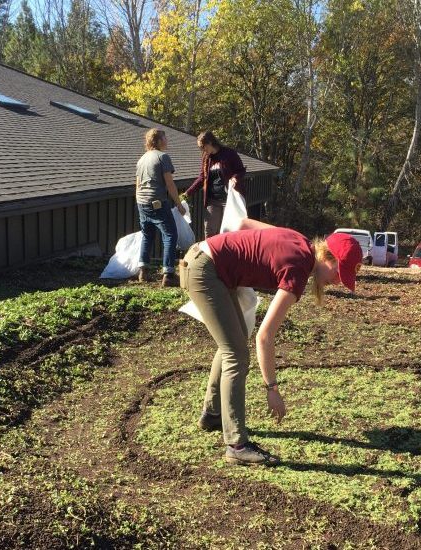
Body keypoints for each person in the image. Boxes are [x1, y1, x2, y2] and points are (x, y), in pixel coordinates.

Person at [179, 222, 363, 465]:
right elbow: (265, 336)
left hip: (206, 262)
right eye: (339, 273)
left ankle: (213, 414)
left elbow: (244, 223)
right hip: (205, 270)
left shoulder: (299, 240)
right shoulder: (298, 268)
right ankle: (236, 445)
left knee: (235, 340)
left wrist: (237, 257)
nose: (338, 282)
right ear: (328, 256)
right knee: (236, 354)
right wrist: (272, 390)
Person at [136, 128, 187, 286]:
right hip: (157, 202)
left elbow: (137, 185)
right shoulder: (162, 157)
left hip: (141, 201)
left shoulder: (142, 159)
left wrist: (139, 202)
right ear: (158, 141)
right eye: (165, 137)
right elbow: (170, 184)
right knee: (170, 235)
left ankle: (143, 272)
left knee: (147, 235)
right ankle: (168, 275)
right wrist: (179, 205)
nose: (167, 140)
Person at [184, 131, 246, 238]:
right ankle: (211, 253)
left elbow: (241, 170)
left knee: (229, 230)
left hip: (229, 199)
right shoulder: (206, 158)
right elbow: (202, 178)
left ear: (210, 142)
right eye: (200, 148)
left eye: (203, 147)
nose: (202, 150)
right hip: (213, 200)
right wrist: (188, 193)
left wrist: (235, 177)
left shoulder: (229, 154)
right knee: (209, 229)